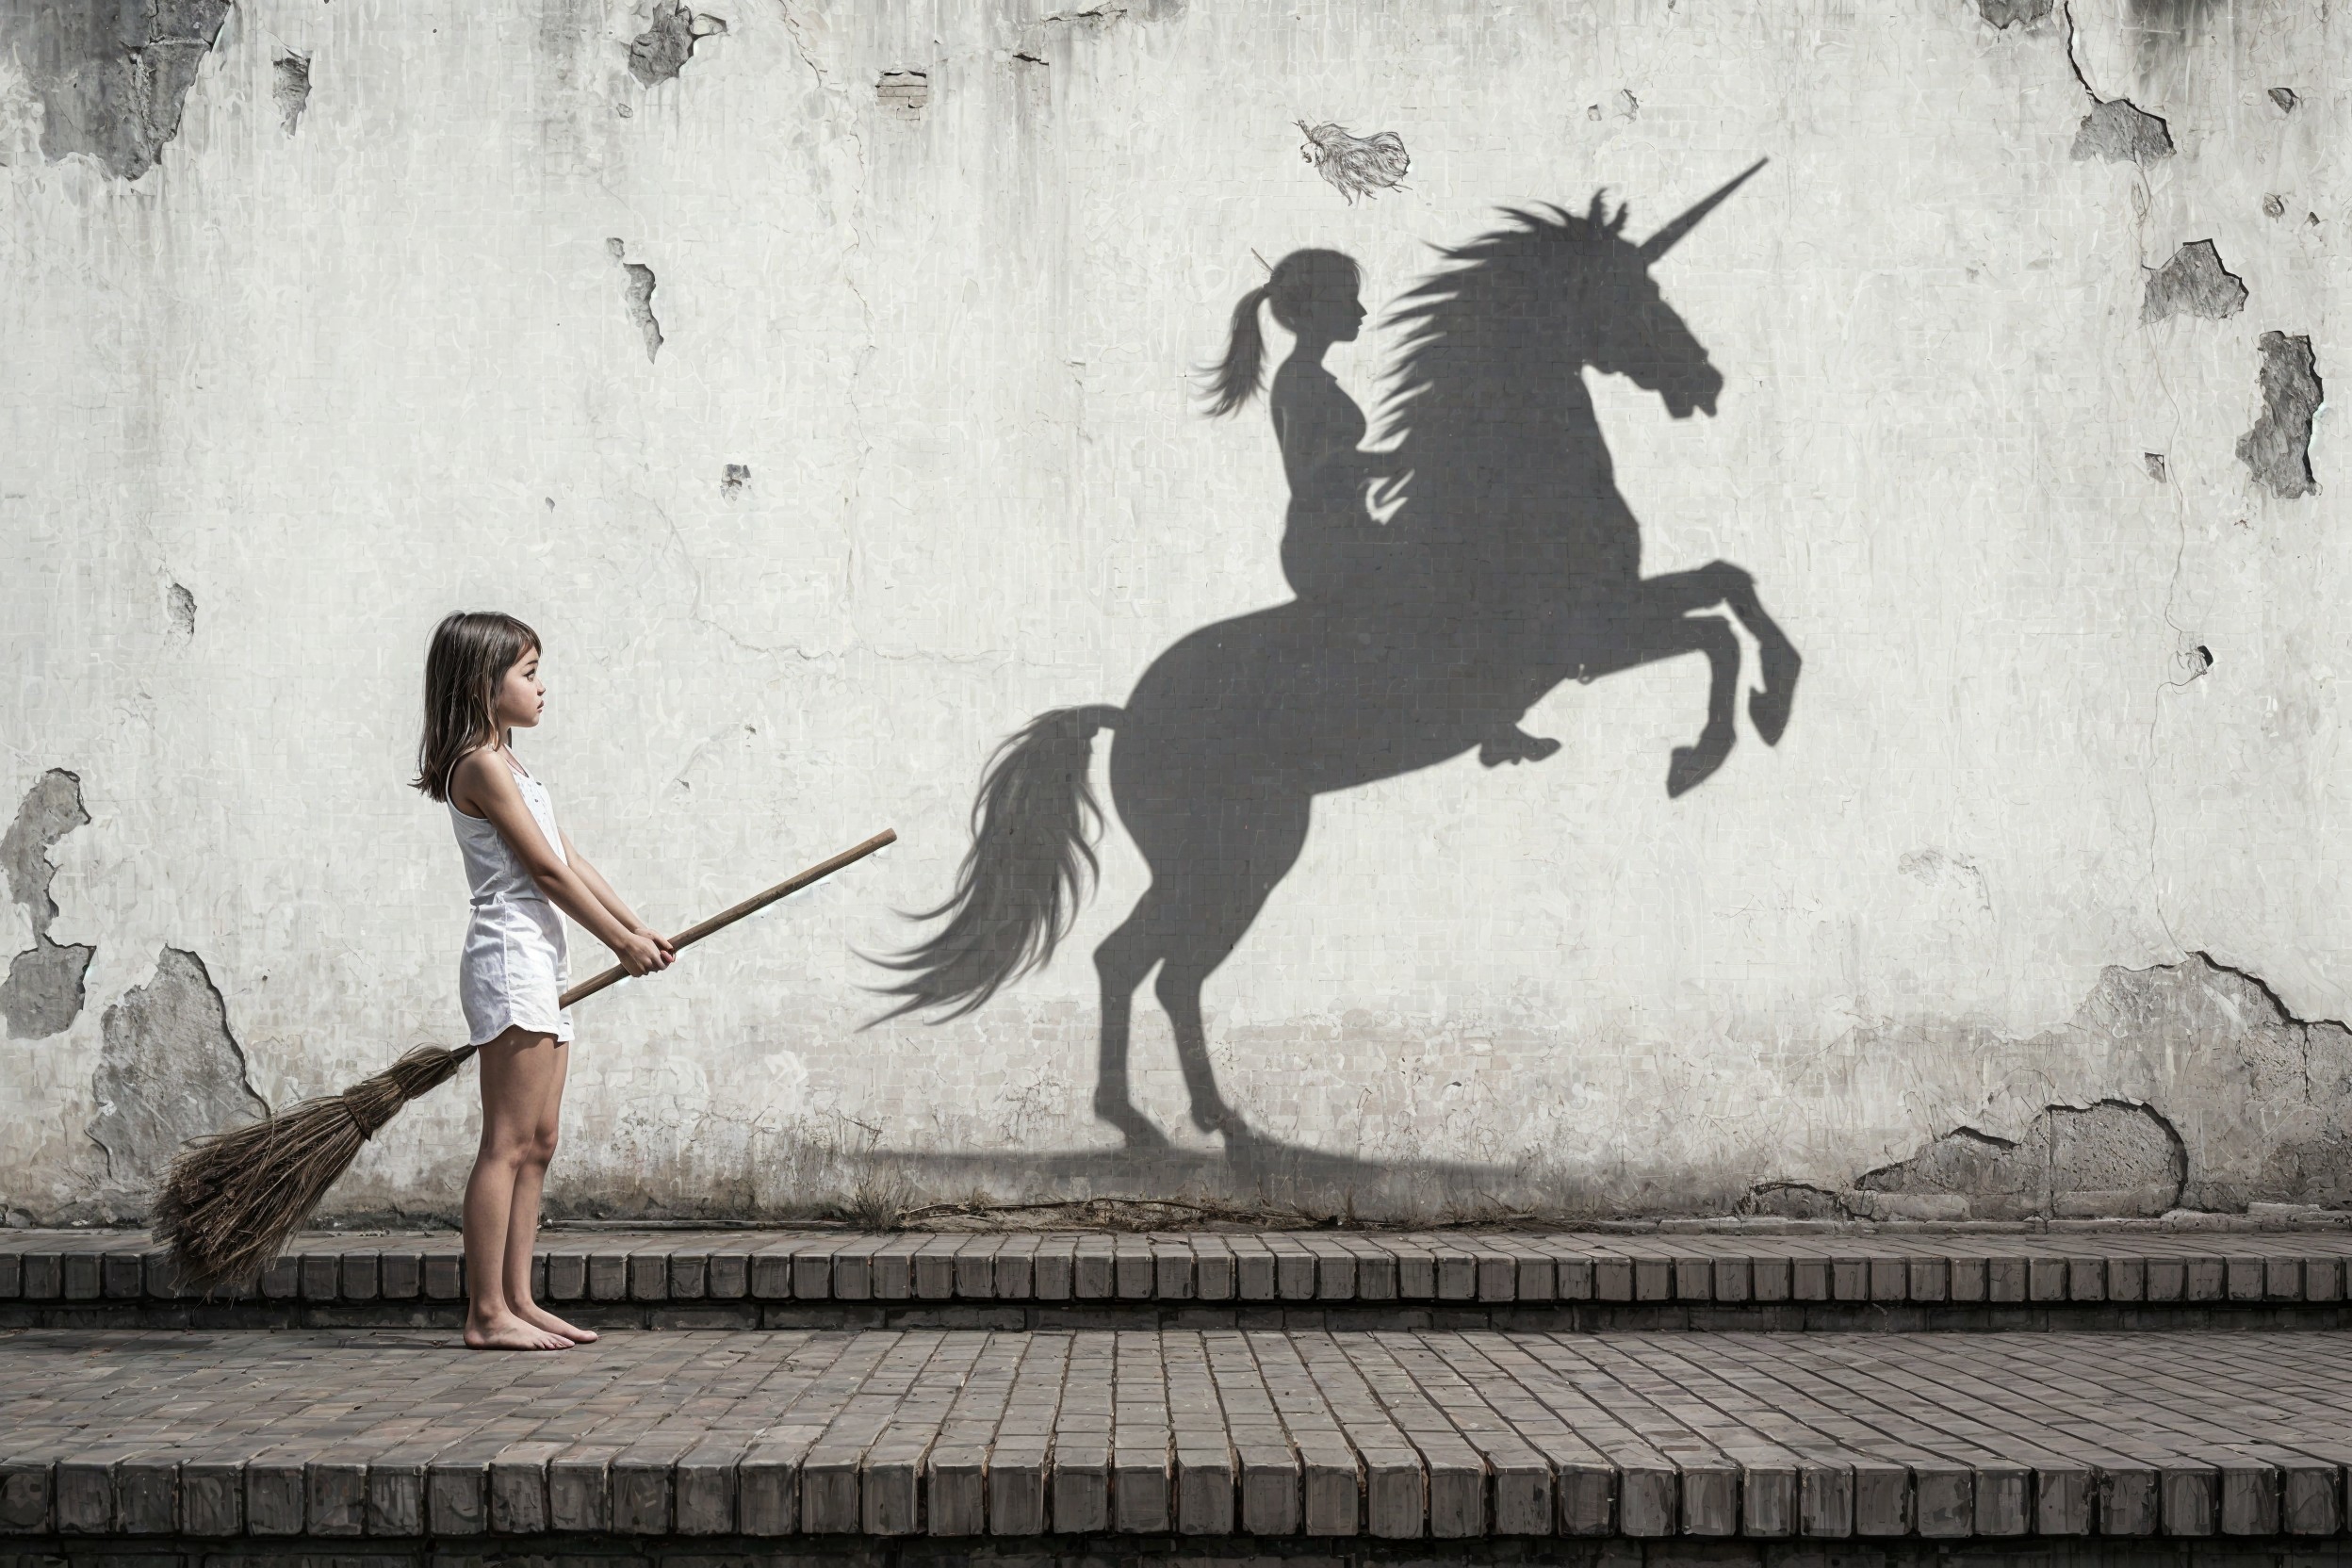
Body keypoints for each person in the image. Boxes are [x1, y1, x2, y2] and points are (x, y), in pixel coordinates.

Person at [412, 612, 674, 1350]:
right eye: (527, 672)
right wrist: (618, 943)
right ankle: (486, 1313)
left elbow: (573, 858)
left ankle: (519, 1301)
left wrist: (637, 926)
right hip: (508, 958)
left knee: (541, 1139)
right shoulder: (481, 765)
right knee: (506, 1139)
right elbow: (546, 871)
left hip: (540, 956)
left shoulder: (515, 766)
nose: (541, 685)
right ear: (481, 684)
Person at [1203, 250, 1559, 766]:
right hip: (1329, 545)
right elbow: (1307, 476)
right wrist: (1391, 461)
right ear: (1317, 309)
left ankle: (1492, 719)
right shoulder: (1300, 381)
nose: (1361, 312)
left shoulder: (1311, 377)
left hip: (1352, 532)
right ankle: (1484, 721)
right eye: (1348, 300)